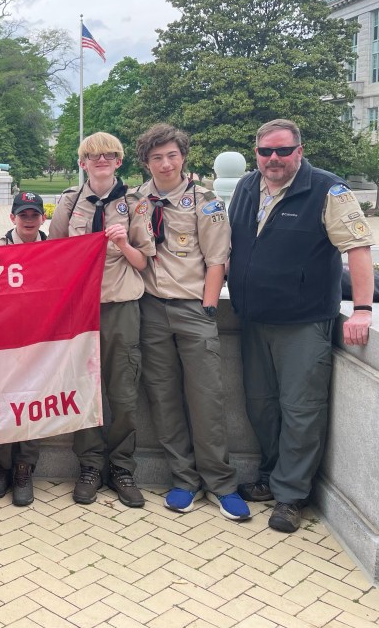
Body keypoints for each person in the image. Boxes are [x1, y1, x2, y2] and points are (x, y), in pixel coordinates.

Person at [229, 118, 375, 533]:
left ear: (299, 150)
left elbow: (358, 247)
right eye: (265, 151)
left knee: (301, 410)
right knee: (261, 405)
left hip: (303, 321)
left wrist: (363, 309)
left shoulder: (328, 189)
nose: (273, 158)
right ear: (256, 153)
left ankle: (291, 495)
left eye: (283, 150)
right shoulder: (246, 187)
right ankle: (271, 476)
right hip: (253, 318)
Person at [134, 124, 249, 521]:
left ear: (183, 157)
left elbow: (217, 260)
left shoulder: (205, 201)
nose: (165, 164)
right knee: (163, 398)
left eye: (172, 155)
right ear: (146, 162)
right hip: (150, 309)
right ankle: (184, 479)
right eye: (156, 157)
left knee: (207, 399)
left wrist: (209, 308)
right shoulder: (135, 201)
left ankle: (221, 483)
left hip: (193, 308)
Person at [48, 133, 153, 510]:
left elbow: (144, 261)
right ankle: (90, 465)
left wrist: (123, 244)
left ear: (119, 161)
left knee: (122, 392)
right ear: (83, 163)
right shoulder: (69, 202)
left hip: (119, 306)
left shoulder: (135, 203)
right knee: (82, 390)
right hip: (80, 310)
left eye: (109, 155)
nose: (102, 160)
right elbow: (54, 254)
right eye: (94, 156)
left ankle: (122, 467)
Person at [0, 191, 47, 506]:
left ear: (43, 218)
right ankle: (1, 467)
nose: (29, 220)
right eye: (23, 215)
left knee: (33, 402)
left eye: (34, 215)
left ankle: (24, 467)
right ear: (13, 218)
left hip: (41, 339)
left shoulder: (55, 248)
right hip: (3, 339)